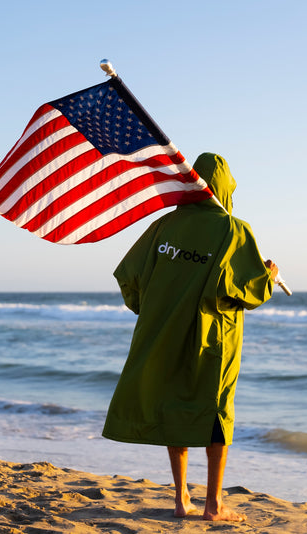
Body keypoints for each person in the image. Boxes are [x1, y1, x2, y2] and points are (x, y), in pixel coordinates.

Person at [102, 153, 278, 522]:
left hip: (163, 334)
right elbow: (246, 291)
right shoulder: (234, 229)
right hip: (212, 341)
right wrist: (269, 276)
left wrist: (152, 310)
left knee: (173, 407)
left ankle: (182, 499)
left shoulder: (165, 226)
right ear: (227, 189)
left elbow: (129, 275)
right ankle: (213, 504)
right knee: (216, 412)